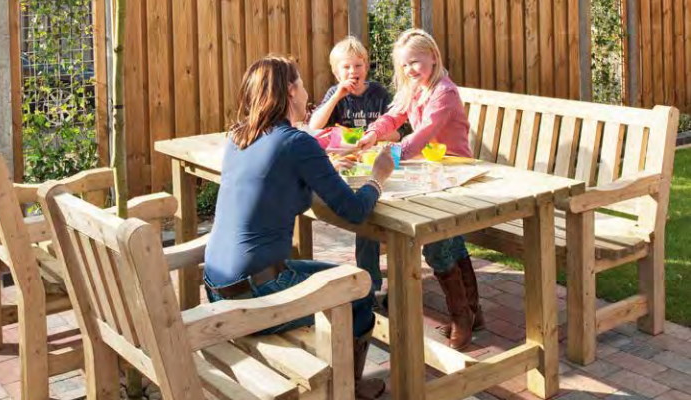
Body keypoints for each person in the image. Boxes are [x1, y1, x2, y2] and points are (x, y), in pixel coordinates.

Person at [203, 55, 394, 399]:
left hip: (218, 285)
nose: (307, 91)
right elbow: (353, 212)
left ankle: (345, 383)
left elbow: (277, 179)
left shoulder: (238, 136)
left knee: (337, 278)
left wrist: (325, 164)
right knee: (361, 289)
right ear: (291, 91)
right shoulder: (296, 142)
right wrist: (378, 178)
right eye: (303, 84)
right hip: (256, 293)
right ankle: (347, 388)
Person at [356, 29, 484, 350]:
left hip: (455, 174)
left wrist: (391, 155)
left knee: (436, 246)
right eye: (405, 65)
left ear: (433, 57)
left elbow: (423, 134)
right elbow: (393, 116)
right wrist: (373, 134)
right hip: (431, 173)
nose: (410, 69)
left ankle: (462, 318)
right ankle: (473, 311)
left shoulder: (444, 93)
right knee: (450, 242)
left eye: (415, 61)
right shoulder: (414, 88)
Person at [308, 36, 397, 298]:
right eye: (346, 68)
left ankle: (384, 281)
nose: (353, 73)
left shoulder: (379, 94)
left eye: (358, 66)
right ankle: (371, 284)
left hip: (378, 163)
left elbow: (397, 134)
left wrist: (373, 136)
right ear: (336, 72)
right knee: (366, 217)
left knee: (376, 213)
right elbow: (315, 126)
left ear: (366, 67)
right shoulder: (335, 95)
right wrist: (337, 95)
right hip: (349, 166)